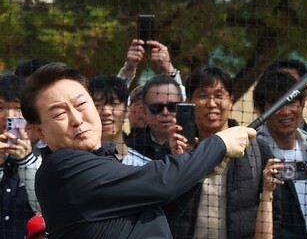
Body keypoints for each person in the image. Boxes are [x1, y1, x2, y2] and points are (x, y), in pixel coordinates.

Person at [20, 62, 255, 238]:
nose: (77, 119)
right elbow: (162, 183)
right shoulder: (64, 168)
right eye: (60, 114)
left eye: (81, 104)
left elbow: (157, 211)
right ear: (40, 132)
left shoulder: (98, 161)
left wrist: (199, 173)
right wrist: (219, 143)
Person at [167, 65, 282, 238]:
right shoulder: (175, 147)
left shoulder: (256, 150)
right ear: (189, 102)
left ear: (231, 100)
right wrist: (179, 160)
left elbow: (276, 214)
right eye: (202, 96)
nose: (211, 104)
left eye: (219, 96)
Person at [253, 69, 307, 238]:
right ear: (259, 109)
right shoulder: (252, 157)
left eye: (292, 102)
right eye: (276, 103)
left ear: (302, 104)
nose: (286, 111)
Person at [0, 75, 41, 238]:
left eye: (17, 107)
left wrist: (26, 160)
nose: (8, 116)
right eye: (0, 107)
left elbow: (44, 209)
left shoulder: (47, 157)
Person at [88, 76, 151, 166]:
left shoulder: (143, 166)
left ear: (127, 111)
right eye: (97, 105)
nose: (106, 111)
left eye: (114, 104)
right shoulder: (74, 162)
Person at [126, 75, 182, 160]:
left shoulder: (197, 143)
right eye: (157, 107)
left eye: (172, 106)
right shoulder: (129, 150)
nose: (165, 112)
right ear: (144, 110)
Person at [117, 39, 186, 99]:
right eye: (138, 99)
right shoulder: (123, 111)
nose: (142, 106)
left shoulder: (166, 110)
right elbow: (115, 97)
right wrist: (128, 69)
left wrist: (169, 70)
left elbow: (179, 102)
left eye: (154, 105)